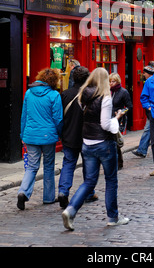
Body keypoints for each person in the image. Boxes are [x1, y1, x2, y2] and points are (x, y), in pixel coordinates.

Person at [62, 67, 129, 231]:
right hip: (103, 143)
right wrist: (117, 118)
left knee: (89, 181)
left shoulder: (83, 95)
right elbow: (106, 124)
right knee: (111, 180)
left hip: (87, 142)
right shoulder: (105, 97)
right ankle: (113, 217)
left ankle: (71, 210)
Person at [17, 68, 63, 210]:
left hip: (30, 135)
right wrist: (61, 134)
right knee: (48, 166)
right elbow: (58, 118)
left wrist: (22, 135)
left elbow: (24, 116)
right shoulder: (54, 95)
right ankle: (48, 198)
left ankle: (23, 191)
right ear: (54, 81)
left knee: (31, 166)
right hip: (48, 137)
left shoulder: (29, 93)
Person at [58, 66, 97, 209]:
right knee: (88, 165)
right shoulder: (91, 94)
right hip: (88, 135)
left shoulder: (65, 94)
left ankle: (63, 192)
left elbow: (59, 116)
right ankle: (89, 192)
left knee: (68, 164)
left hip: (69, 135)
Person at [109, 73, 133, 170]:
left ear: (118, 81)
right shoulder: (107, 92)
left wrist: (121, 112)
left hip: (117, 119)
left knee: (115, 141)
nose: (111, 83)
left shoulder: (123, 92)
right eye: (110, 81)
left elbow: (129, 106)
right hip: (107, 118)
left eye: (113, 81)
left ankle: (119, 162)